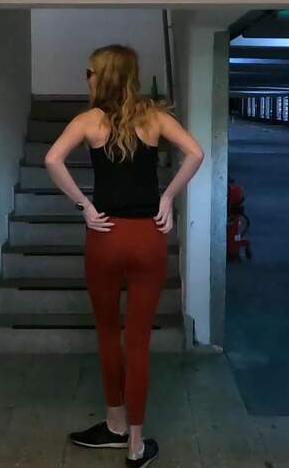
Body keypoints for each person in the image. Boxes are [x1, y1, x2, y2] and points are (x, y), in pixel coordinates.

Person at [44, 44, 204, 468]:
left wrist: (84, 205)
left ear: (103, 76)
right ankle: (134, 442)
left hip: (105, 235)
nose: (87, 79)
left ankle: (115, 423)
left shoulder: (89, 121)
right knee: (138, 342)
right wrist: (167, 197)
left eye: (89, 72)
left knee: (106, 333)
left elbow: (52, 159)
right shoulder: (154, 117)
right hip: (148, 237)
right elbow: (196, 153)